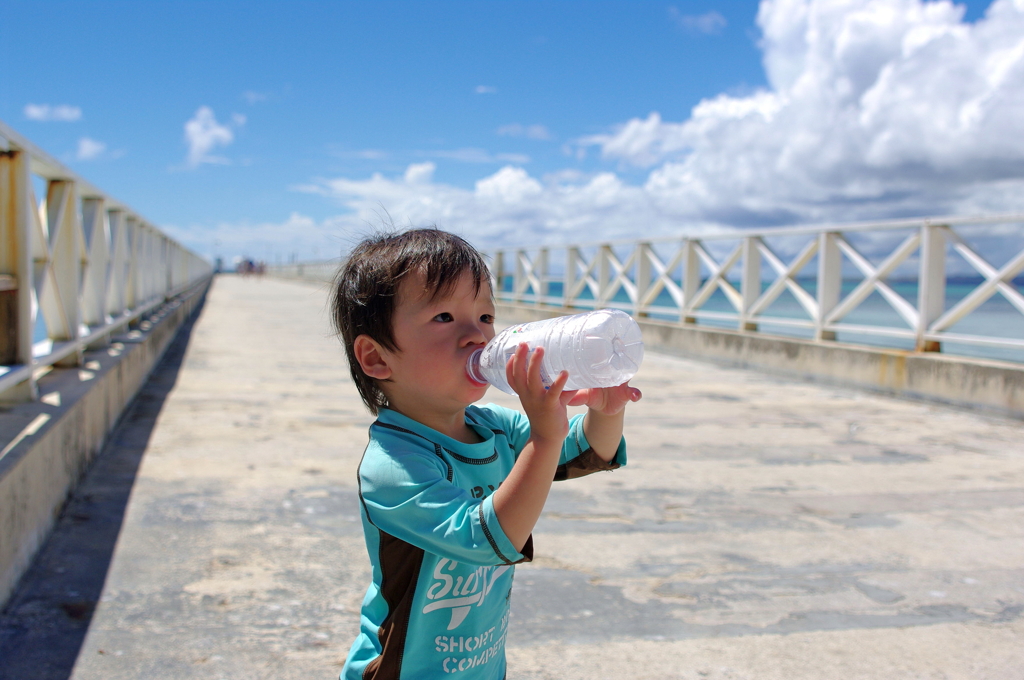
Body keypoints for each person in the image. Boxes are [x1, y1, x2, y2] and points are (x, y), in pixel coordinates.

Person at [331, 229, 641, 679]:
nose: (477, 336)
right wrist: (544, 438)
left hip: (482, 666)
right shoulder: (392, 466)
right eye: (443, 317)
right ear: (377, 359)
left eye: (485, 316)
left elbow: (584, 452)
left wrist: (606, 411)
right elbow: (487, 539)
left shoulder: (493, 425)